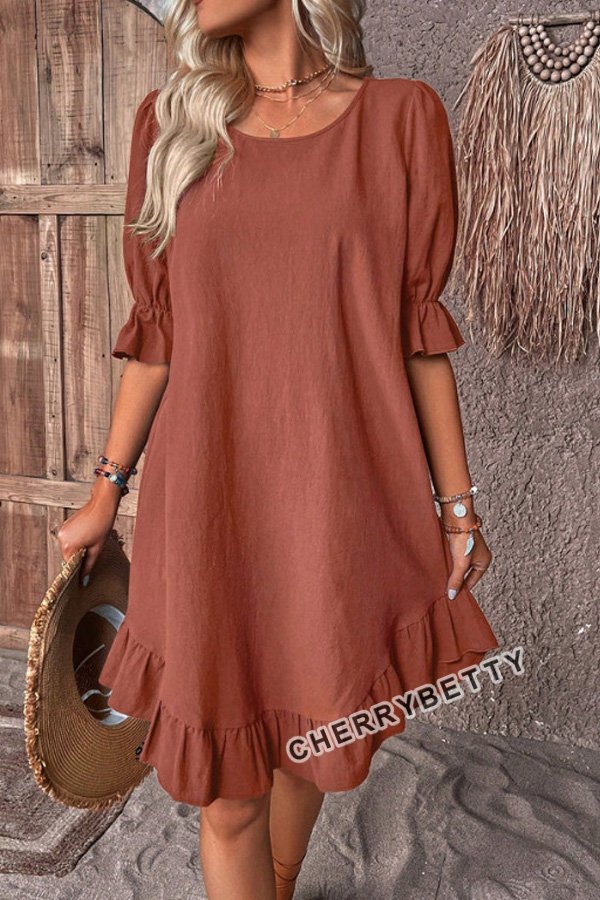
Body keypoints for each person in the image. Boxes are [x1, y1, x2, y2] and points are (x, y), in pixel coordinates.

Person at [57, 1, 499, 897]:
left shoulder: (402, 118)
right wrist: (107, 488)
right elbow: (157, 337)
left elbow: (418, 337)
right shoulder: (169, 126)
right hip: (208, 504)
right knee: (227, 802)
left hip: (342, 501)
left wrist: (458, 510)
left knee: (314, 739)